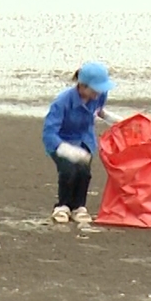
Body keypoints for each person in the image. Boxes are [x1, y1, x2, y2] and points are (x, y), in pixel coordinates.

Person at [42, 61, 118, 224]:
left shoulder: (99, 95)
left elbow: (98, 111)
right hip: (60, 142)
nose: (99, 93)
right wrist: (66, 150)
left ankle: (78, 207)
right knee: (68, 171)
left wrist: (114, 120)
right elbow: (49, 132)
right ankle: (62, 206)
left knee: (84, 173)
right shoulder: (62, 102)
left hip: (85, 140)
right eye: (96, 89)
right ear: (82, 86)